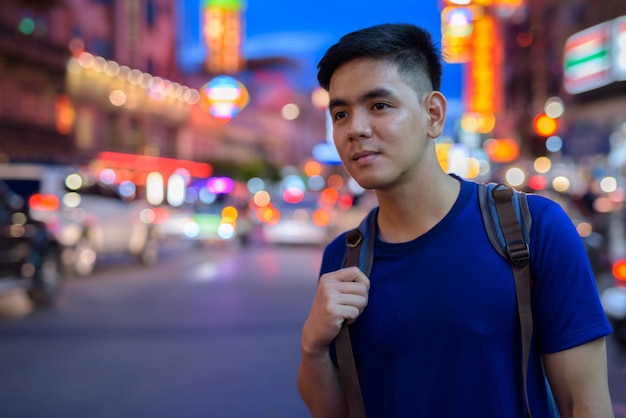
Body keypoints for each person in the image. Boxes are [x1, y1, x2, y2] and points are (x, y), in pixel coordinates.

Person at [297, 23, 615, 418]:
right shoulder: (344, 260)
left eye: (379, 106)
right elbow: (332, 411)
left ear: (433, 114)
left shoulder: (534, 229)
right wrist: (312, 345)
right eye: (341, 113)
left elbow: (585, 404)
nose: (355, 129)